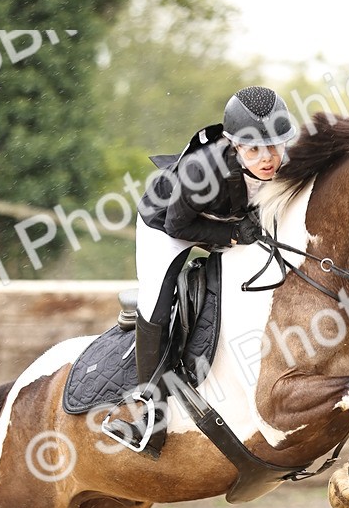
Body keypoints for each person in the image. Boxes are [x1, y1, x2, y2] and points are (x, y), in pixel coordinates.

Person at [104, 85, 297, 457]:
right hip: (168, 227)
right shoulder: (201, 171)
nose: (268, 158)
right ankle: (148, 412)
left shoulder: (283, 162)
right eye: (254, 149)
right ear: (234, 145)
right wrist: (231, 235)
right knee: (156, 305)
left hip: (228, 220)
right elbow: (179, 227)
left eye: (275, 145)